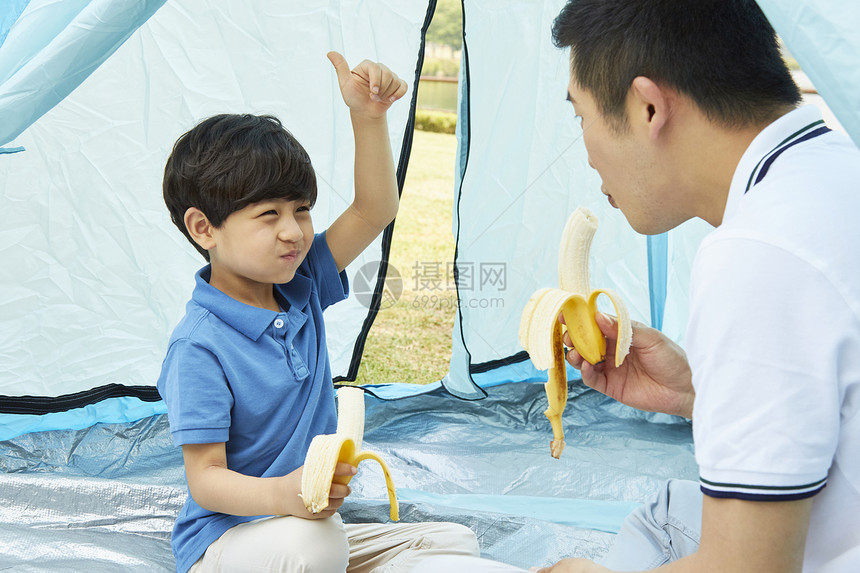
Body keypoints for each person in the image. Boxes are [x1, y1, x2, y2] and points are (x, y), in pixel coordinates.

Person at [413, 0, 859, 572]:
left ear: (648, 106)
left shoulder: (758, 255)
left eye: (580, 117)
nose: (588, 152)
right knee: (666, 511)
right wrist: (695, 392)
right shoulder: (832, 172)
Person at [157, 52, 479, 573]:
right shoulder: (199, 346)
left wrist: (368, 118)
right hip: (226, 543)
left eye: (301, 210)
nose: (294, 231)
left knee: (453, 543)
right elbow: (206, 479)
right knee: (319, 546)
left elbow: (375, 209)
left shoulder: (301, 283)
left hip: (306, 533)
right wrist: (285, 494)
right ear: (204, 228)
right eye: (269, 215)